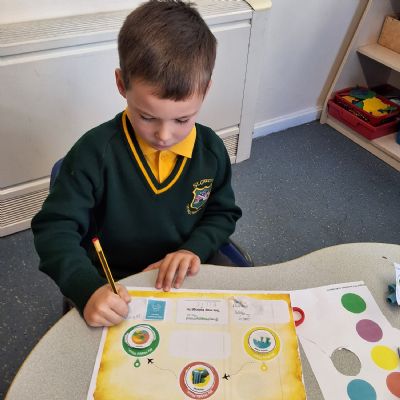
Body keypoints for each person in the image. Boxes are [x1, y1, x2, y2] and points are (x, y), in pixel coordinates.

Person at [31, 0, 242, 328]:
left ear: (206, 91)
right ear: (121, 85)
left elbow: (222, 213)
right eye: (147, 116)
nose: (164, 135)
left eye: (183, 119)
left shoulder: (210, 150)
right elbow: (54, 228)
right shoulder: (93, 153)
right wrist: (86, 288)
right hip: (115, 284)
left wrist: (194, 249)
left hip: (185, 270)